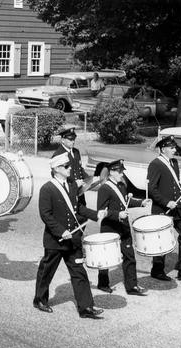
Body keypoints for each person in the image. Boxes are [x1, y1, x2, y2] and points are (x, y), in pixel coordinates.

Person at [34, 153, 107, 318]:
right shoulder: (47, 188)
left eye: (69, 166)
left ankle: (86, 307)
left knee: (79, 271)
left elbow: (78, 209)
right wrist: (61, 231)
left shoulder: (72, 185)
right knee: (46, 271)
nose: (70, 169)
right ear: (57, 169)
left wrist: (96, 214)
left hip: (73, 239)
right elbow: (46, 215)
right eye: (66, 167)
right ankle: (39, 299)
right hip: (55, 240)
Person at [147, 136, 181, 283]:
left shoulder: (174, 162)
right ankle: (157, 271)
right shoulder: (155, 164)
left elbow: (176, 185)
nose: (175, 150)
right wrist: (166, 202)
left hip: (179, 207)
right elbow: (152, 189)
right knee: (161, 241)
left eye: (175, 147)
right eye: (172, 148)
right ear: (163, 149)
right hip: (163, 209)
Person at [96, 159, 150, 295]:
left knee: (129, 256)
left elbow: (125, 201)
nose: (122, 174)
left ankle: (132, 286)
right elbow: (101, 211)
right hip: (110, 227)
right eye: (119, 172)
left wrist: (141, 202)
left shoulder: (121, 185)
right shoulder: (104, 188)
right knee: (106, 257)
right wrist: (118, 214)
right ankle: (102, 283)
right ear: (112, 172)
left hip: (123, 227)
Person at [52, 127, 90, 204]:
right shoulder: (58, 154)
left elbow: (79, 168)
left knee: (82, 212)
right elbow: (55, 174)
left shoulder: (76, 151)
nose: (73, 141)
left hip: (80, 191)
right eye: (70, 139)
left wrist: (88, 179)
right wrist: (74, 184)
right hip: (68, 191)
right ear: (62, 140)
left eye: (74, 139)